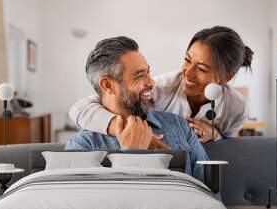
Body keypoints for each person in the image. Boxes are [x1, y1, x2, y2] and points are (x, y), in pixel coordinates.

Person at [69, 26, 253, 145]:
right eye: (187, 60)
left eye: (202, 69)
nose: (187, 72)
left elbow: (232, 142)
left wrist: (215, 134)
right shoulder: (161, 88)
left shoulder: (236, 106)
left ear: (227, 76)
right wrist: (120, 128)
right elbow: (82, 108)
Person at [65, 36, 208, 181]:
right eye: (139, 76)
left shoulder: (179, 126)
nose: (151, 82)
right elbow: (85, 202)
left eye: (148, 72)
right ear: (108, 85)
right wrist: (131, 154)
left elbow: (210, 192)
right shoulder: (82, 145)